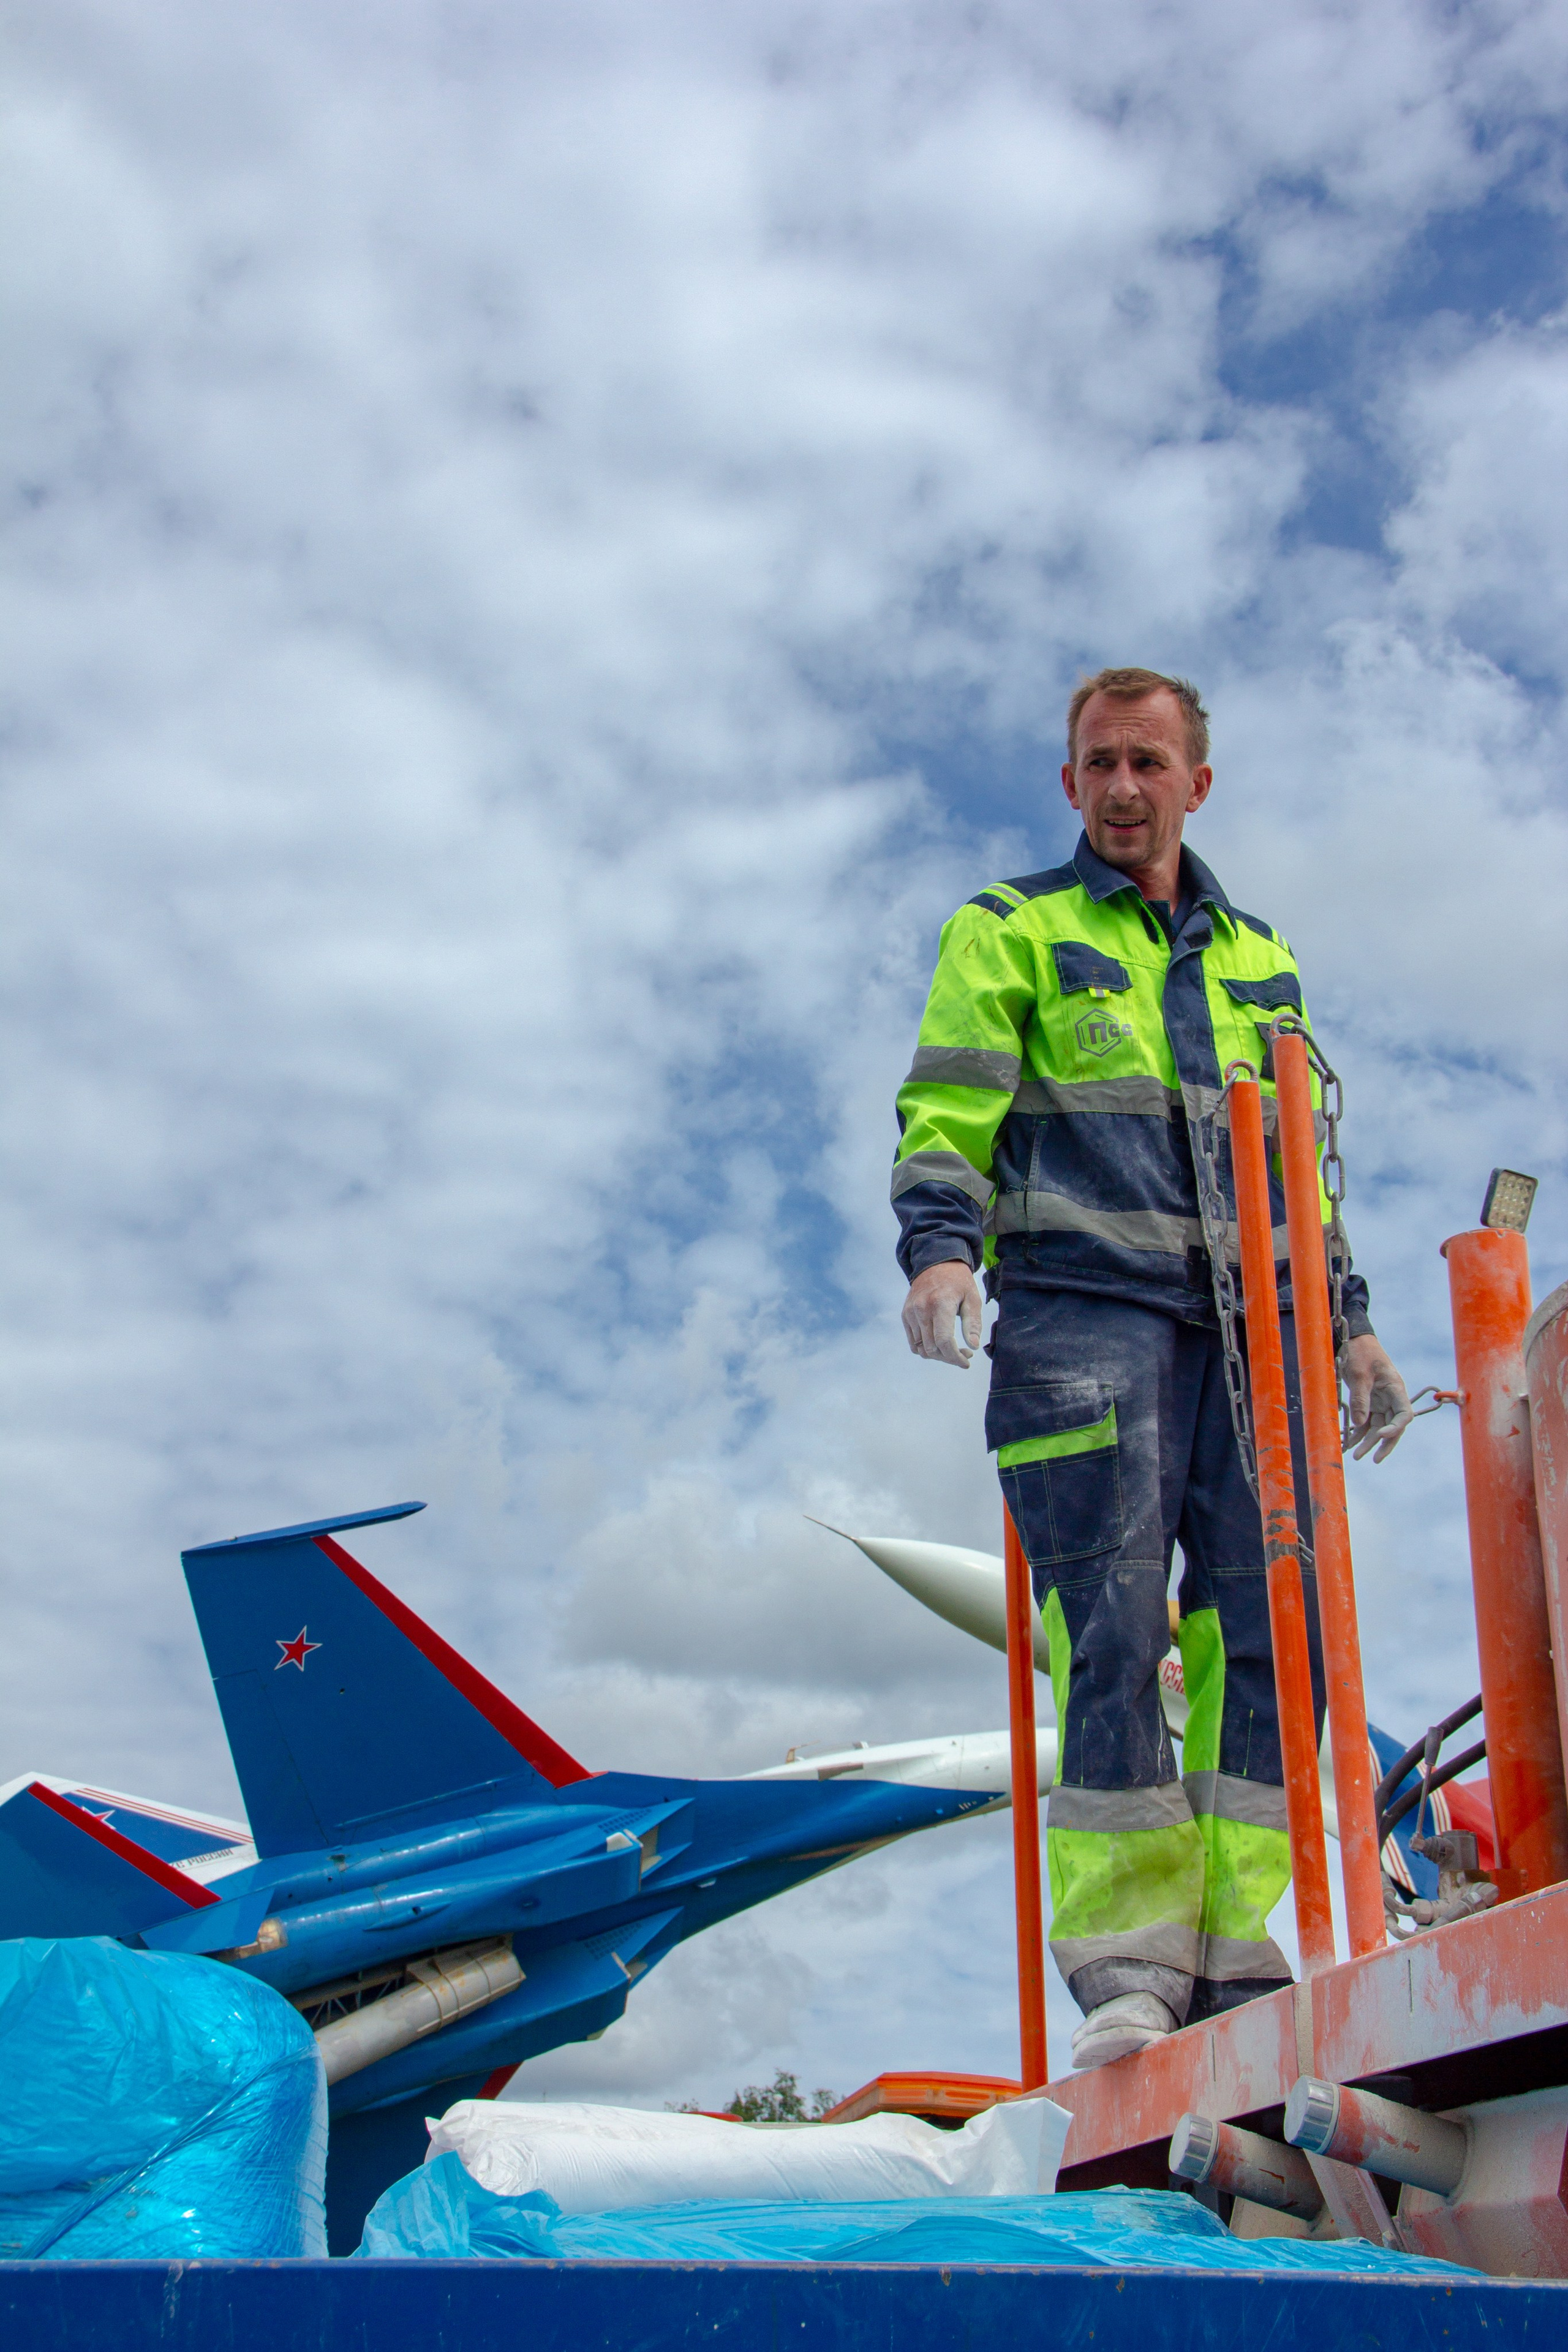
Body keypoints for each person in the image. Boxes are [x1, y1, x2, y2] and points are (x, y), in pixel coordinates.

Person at [892, 666, 1412, 2070]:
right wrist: (938, 1246)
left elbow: (1303, 1162)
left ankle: (1235, 1948)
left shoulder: (1259, 959)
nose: (1123, 787)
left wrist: (1347, 1318)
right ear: (1069, 784)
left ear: (1195, 779)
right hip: (1077, 1316)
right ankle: (1129, 1965)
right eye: (1097, 763)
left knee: (1264, 1639)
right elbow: (950, 1098)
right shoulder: (1011, 928)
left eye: (1148, 762)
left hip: (1260, 1340)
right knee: (1109, 1637)